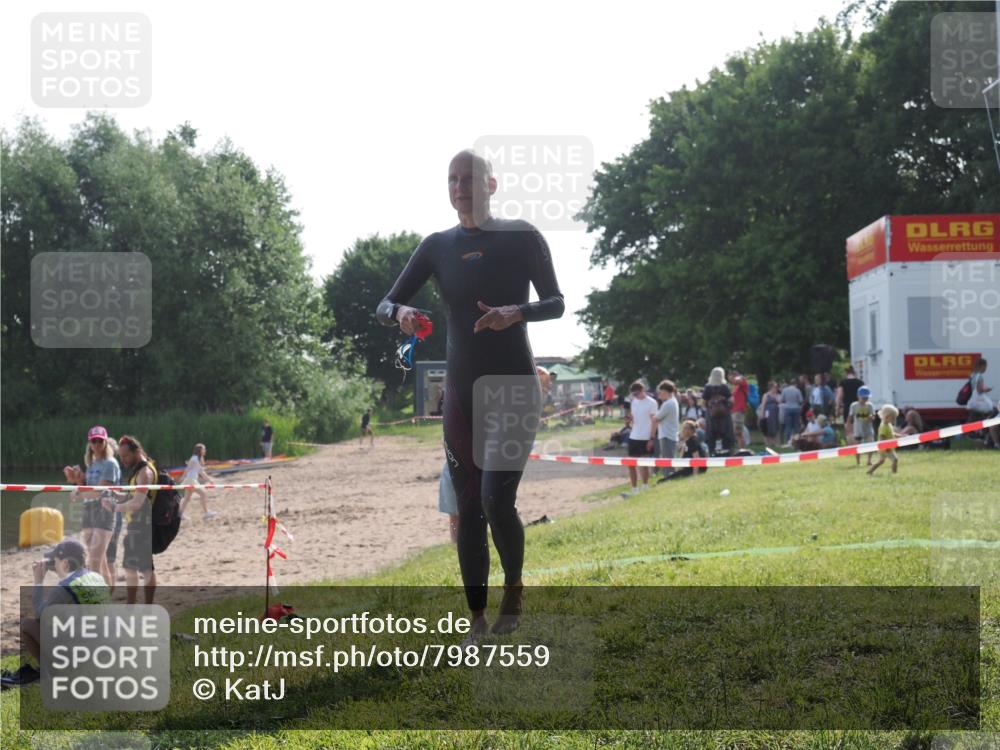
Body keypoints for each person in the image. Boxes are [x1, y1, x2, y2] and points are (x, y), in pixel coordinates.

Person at [375, 149, 564, 639]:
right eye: (453, 179)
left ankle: (514, 592)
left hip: (513, 388)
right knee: (468, 506)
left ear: (492, 185)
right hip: (461, 395)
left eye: (470, 178)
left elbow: (556, 302)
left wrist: (515, 312)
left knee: (496, 501)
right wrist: (401, 314)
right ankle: (477, 617)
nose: (460, 187)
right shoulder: (437, 246)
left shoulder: (521, 236)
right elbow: (385, 303)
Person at [2, 539, 109, 689]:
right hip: (101, 649)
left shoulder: (65, 587)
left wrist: (38, 581)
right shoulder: (96, 577)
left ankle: (50, 673)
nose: (54, 564)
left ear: (65, 563)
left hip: (81, 654)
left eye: (56, 561)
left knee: (26, 625)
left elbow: (40, 615)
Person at [63, 425, 120, 587]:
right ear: (89, 444)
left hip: (104, 510)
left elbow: (100, 492)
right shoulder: (92, 464)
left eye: (100, 441)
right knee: (100, 561)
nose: (97, 444)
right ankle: (107, 595)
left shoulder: (110, 464)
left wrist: (78, 493)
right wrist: (77, 480)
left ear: (105, 442)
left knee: (94, 561)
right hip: (89, 510)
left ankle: (96, 598)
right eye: (93, 441)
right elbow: (87, 488)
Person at [104, 435, 158, 604]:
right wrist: (115, 494)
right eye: (120, 456)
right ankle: (133, 604)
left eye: (125, 456)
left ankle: (144, 605)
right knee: (131, 567)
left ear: (137, 452)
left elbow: (136, 503)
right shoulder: (139, 471)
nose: (123, 460)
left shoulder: (145, 472)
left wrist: (114, 507)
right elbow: (131, 496)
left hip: (143, 526)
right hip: (136, 525)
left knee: (144, 569)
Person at [622, 381, 658, 495]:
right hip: (634, 436)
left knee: (643, 464)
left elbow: (654, 422)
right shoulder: (634, 401)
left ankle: (645, 486)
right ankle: (634, 489)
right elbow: (634, 417)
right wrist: (629, 419)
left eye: (637, 394)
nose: (635, 396)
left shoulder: (652, 402)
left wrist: (651, 438)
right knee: (631, 464)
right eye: (633, 394)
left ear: (643, 390)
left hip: (645, 437)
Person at [967, 358, 1000, 448]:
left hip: (973, 402)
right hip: (980, 403)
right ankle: (982, 436)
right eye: (985, 366)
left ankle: (981, 436)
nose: (986, 368)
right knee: (990, 416)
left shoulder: (973, 375)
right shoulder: (979, 376)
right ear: (982, 366)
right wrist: (987, 389)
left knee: (974, 421)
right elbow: (979, 390)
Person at [702, 367, 734, 456]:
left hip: (711, 415)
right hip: (724, 416)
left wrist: (710, 407)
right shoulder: (725, 387)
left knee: (711, 437)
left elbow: (703, 402)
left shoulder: (707, 387)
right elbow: (732, 401)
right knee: (726, 436)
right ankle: (727, 454)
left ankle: (712, 454)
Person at [179, 443, 216, 521]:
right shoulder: (194, 459)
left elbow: (201, 472)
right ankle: (206, 513)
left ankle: (180, 514)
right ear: (200, 450)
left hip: (190, 480)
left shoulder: (196, 459)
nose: (205, 450)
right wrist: (182, 477)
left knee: (187, 498)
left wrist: (209, 480)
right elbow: (188, 468)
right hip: (191, 480)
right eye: (204, 449)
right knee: (203, 494)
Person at [652, 380, 680, 478]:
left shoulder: (668, 404)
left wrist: (654, 417)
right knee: (668, 460)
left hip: (667, 436)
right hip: (670, 434)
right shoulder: (673, 401)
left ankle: (668, 478)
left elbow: (655, 418)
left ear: (667, 392)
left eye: (661, 392)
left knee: (667, 462)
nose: (659, 395)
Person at [847, 385, 876, 467]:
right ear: (858, 396)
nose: (865, 400)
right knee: (857, 446)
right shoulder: (854, 405)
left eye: (866, 398)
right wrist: (848, 427)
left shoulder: (870, 406)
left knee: (871, 444)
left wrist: (871, 417)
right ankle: (858, 462)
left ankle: (869, 460)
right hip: (858, 429)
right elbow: (850, 417)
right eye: (863, 398)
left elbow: (873, 416)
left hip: (868, 429)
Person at [868, 405, 901, 476]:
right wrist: (886, 447)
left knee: (881, 461)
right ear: (887, 417)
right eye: (893, 418)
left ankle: (870, 471)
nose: (894, 420)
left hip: (884, 447)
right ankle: (894, 473)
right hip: (885, 448)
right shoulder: (884, 426)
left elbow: (891, 434)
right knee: (895, 459)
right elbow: (882, 438)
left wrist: (900, 436)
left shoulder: (888, 424)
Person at [728, 371, 750, 450]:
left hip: (739, 409)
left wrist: (733, 378)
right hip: (734, 410)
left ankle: (743, 450)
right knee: (737, 433)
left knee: (738, 432)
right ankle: (741, 449)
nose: (729, 379)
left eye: (730, 376)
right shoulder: (735, 387)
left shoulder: (741, 379)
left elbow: (738, 380)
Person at [781, 380, 804, 446]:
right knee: (796, 425)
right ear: (795, 384)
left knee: (788, 426)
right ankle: (797, 440)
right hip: (796, 409)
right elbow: (801, 400)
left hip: (787, 408)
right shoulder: (797, 390)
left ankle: (788, 441)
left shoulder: (785, 390)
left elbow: (782, 400)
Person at [759, 381, 782, 450]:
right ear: (771, 387)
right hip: (768, 412)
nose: (776, 388)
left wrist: (776, 397)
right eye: (775, 387)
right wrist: (762, 413)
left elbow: (780, 402)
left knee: (775, 426)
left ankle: (775, 442)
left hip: (775, 413)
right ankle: (768, 443)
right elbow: (763, 404)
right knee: (768, 426)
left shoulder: (777, 395)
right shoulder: (766, 395)